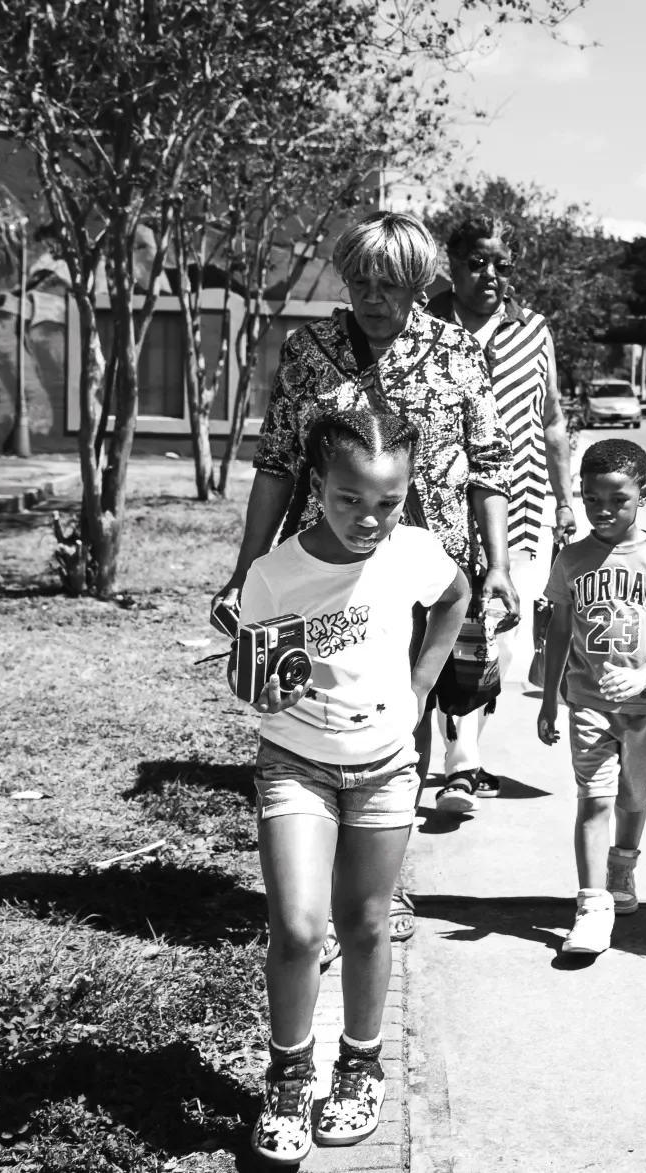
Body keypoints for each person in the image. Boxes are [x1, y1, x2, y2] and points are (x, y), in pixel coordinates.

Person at [218, 211, 515, 947]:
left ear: (418, 283)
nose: (372, 296)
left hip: (421, 568)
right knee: (314, 706)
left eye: (389, 284)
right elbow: (279, 462)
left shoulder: (457, 352)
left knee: (401, 719)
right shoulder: (309, 350)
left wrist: (499, 564)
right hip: (321, 569)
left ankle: (379, 885)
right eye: (360, 281)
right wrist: (244, 567)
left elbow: (489, 467)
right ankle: (312, 895)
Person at [239, 407, 471, 1166]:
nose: (368, 518)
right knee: (301, 928)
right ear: (318, 483)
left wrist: (420, 684)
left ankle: (362, 1066)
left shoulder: (414, 551)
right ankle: (288, 1076)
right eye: (348, 499)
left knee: (368, 923)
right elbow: (253, 674)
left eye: (387, 502)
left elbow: (454, 598)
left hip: (384, 767)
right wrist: (264, 691)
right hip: (296, 764)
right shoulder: (274, 575)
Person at [425, 215, 578, 815]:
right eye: (477, 263)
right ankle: (458, 761)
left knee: (500, 635)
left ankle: (463, 760)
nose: (490, 275)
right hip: (437, 504)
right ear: (452, 264)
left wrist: (565, 501)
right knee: (444, 626)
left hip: (520, 504)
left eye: (501, 265)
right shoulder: (425, 321)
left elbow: (553, 420)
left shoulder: (533, 329)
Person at [536, 439, 646, 957]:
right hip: (587, 700)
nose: (603, 511)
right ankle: (591, 906)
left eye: (618, 500)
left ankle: (622, 866)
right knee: (595, 798)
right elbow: (559, 632)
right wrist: (549, 698)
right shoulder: (570, 559)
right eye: (592, 500)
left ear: (643, 496)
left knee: (634, 798)